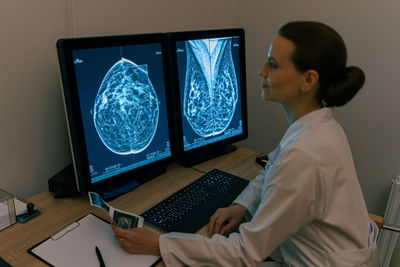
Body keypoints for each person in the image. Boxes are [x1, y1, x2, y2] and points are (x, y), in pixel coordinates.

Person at [111, 21, 379, 266]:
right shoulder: (322, 126)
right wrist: (243, 205)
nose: (261, 71)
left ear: (308, 80)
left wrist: (160, 243)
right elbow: (273, 168)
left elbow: (244, 253)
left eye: (273, 65)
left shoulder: (305, 153)